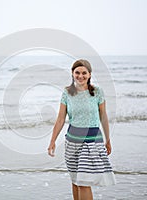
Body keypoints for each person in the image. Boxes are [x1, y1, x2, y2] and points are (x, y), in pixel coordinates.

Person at [47, 59, 116, 200]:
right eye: (77, 72)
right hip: (72, 142)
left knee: (84, 182)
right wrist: (52, 141)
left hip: (91, 142)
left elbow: (103, 116)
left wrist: (108, 140)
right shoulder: (67, 93)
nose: (80, 76)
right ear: (72, 74)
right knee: (75, 181)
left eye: (84, 73)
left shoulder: (97, 92)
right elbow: (60, 119)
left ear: (90, 74)